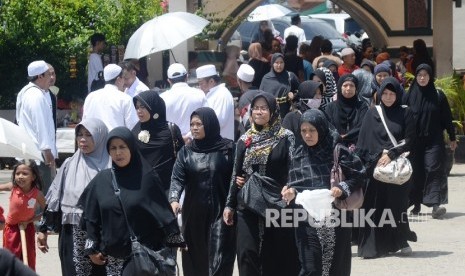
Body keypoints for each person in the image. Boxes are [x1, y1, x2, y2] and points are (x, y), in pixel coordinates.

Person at [78, 127, 185, 273]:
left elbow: (162, 214)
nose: (118, 153)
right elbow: (91, 217)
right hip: (112, 261)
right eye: (113, 148)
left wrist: (174, 238)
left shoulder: (147, 178)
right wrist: (91, 248)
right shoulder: (102, 180)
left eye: (122, 147)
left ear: (132, 148)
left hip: (143, 259)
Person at [223, 92, 300, 276]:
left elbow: (294, 168)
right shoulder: (244, 140)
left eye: (264, 108)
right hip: (248, 204)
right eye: (255, 108)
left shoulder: (285, 136)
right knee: (247, 254)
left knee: (276, 256)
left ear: (273, 110)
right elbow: (236, 173)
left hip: (277, 204)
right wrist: (230, 204)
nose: (259, 112)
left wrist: (291, 187)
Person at [281, 109, 365, 276]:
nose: (307, 135)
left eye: (312, 130)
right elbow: (294, 183)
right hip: (306, 219)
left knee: (334, 267)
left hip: (335, 218)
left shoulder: (338, 150)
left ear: (321, 128)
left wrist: (341, 189)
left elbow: (359, 175)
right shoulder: (297, 153)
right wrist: (290, 191)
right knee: (310, 268)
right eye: (303, 131)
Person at [37, 118, 110, 276]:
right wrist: (43, 229)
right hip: (72, 234)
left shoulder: (111, 166)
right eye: (80, 134)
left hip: (101, 235)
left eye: (89, 135)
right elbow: (54, 198)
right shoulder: (69, 164)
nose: (82, 139)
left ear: (100, 136)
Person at [169, 107, 236, 276]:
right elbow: (177, 179)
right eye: (192, 124)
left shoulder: (228, 149)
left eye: (199, 124)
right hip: (194, 216)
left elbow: (237, 176)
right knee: (195, 261)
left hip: (221, 214)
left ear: (210, 124)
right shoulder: (186, 152)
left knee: (219, 260)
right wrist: (174, 199)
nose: (194, 128)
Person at [356, 77, 418, 258]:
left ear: (398, 94)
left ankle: (399, 240)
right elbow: (364, 142)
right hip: (376, 169)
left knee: (396, 206)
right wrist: (376, 158)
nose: (389, 97)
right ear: (380, 94)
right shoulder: (373, 113)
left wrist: (390, 154)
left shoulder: (406, 113)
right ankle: (372, 247)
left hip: (396, 168)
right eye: (385, 93)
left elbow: (410, 139)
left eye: (392, 94)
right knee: (375, 206)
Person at [403, 64, 457, 217]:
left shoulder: (438, 95)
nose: (422, 78)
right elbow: (403, 119)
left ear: (430, 76)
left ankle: (435, 205)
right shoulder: (409, 95)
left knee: (433, 169)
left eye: (425, 75)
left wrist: (452, 138)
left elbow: (447, 118)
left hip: (434, 141)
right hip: (414, 142)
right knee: (415, 171)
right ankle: (416, 204)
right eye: (419, 75)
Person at [16, 60, 57, 194]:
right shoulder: (36, 95)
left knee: (31, 195)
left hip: (30, 152)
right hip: (39, 156)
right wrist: (47, 150)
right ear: (40, 76)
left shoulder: (26, 92)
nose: (50, 78)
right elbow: (40, 124)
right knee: (42, 195)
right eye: (47, 75)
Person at [132, 91, 184, 196]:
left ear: (153, 107)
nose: (139, 111)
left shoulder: (170, 130)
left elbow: (181, 158)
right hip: (144, 188)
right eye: (137, 107)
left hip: (168, 188)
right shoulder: (135, 132)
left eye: (143, 107)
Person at [3, 160, 46, 271]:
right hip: (11, 230)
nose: (20, 176)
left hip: (28, 228)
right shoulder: (13, 187)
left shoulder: (37, 194)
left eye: (25, 173)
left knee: (28, 258)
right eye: (17, 174)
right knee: (11, 258)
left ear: (33, 177)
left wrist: (30, 221)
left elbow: (47, 211)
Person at [82, 64, 139, 131]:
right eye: (124, 78)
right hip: (115, 140)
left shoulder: (90, 97)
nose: (124, 82)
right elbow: (133, 127)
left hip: (93, 140)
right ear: (119, 80)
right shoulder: (125, 99)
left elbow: (85, 122)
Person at [161, 63, 207, 143]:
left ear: (169, 81)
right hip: (197, 142)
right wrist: (189, 136)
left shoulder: (162, 98)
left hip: (172, 144)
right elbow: (206, 119)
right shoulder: (199, 94)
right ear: (187, 77)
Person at [324, 74, 369, 148]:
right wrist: (338, 137)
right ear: (340, 87)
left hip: (358, 146)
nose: (348, 88)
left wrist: (346, 136)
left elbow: (362, 126)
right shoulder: (330, 107)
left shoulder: (362, 106)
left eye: (352, 86)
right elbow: (329, 126)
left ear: (356, 89)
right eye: (345, 85)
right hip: (335, 146)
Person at [196, 64, 235, 141]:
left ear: (211, 81)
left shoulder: (222, 94)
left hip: (221, 146)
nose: (200, 87)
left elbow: (218, 121)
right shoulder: (213, 94)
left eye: (201, 83)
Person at [283, 80, 324, 146]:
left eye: (319, 93)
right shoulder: (291, 117)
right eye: (315, 94)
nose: (318, 97)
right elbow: (285, 142)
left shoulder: (322, 115)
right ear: (305, 94)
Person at [259, 53, 300, 118]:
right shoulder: (266, 78)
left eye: (281, 62)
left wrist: (293, 95)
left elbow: (299, 92)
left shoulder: (290, 76)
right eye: (276, 62)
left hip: (287, 113)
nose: (279, 65)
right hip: (271, 114)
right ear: (272, 63)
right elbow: (261, 96)